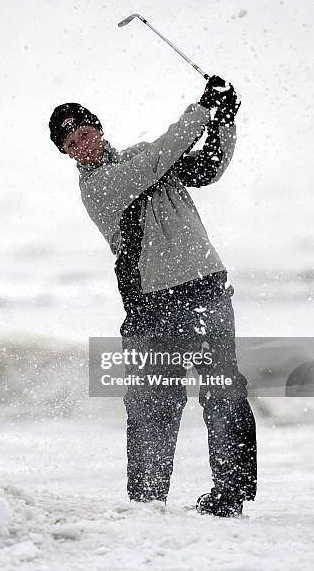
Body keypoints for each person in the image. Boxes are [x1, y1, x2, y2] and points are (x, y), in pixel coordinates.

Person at [49, 76, 257, 517]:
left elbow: (207, 168)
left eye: (84, 134)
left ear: (98, 130)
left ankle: (230, 496)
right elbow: (162, 156)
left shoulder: (146, 156)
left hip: (206, 290)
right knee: (151, 407)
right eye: (70, 144)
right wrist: (202, 108)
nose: (81, 145)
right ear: (66, 154)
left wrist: (225, 119)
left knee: (224, 393)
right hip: (151, 309)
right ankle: (148, 505)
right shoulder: (99, 186)